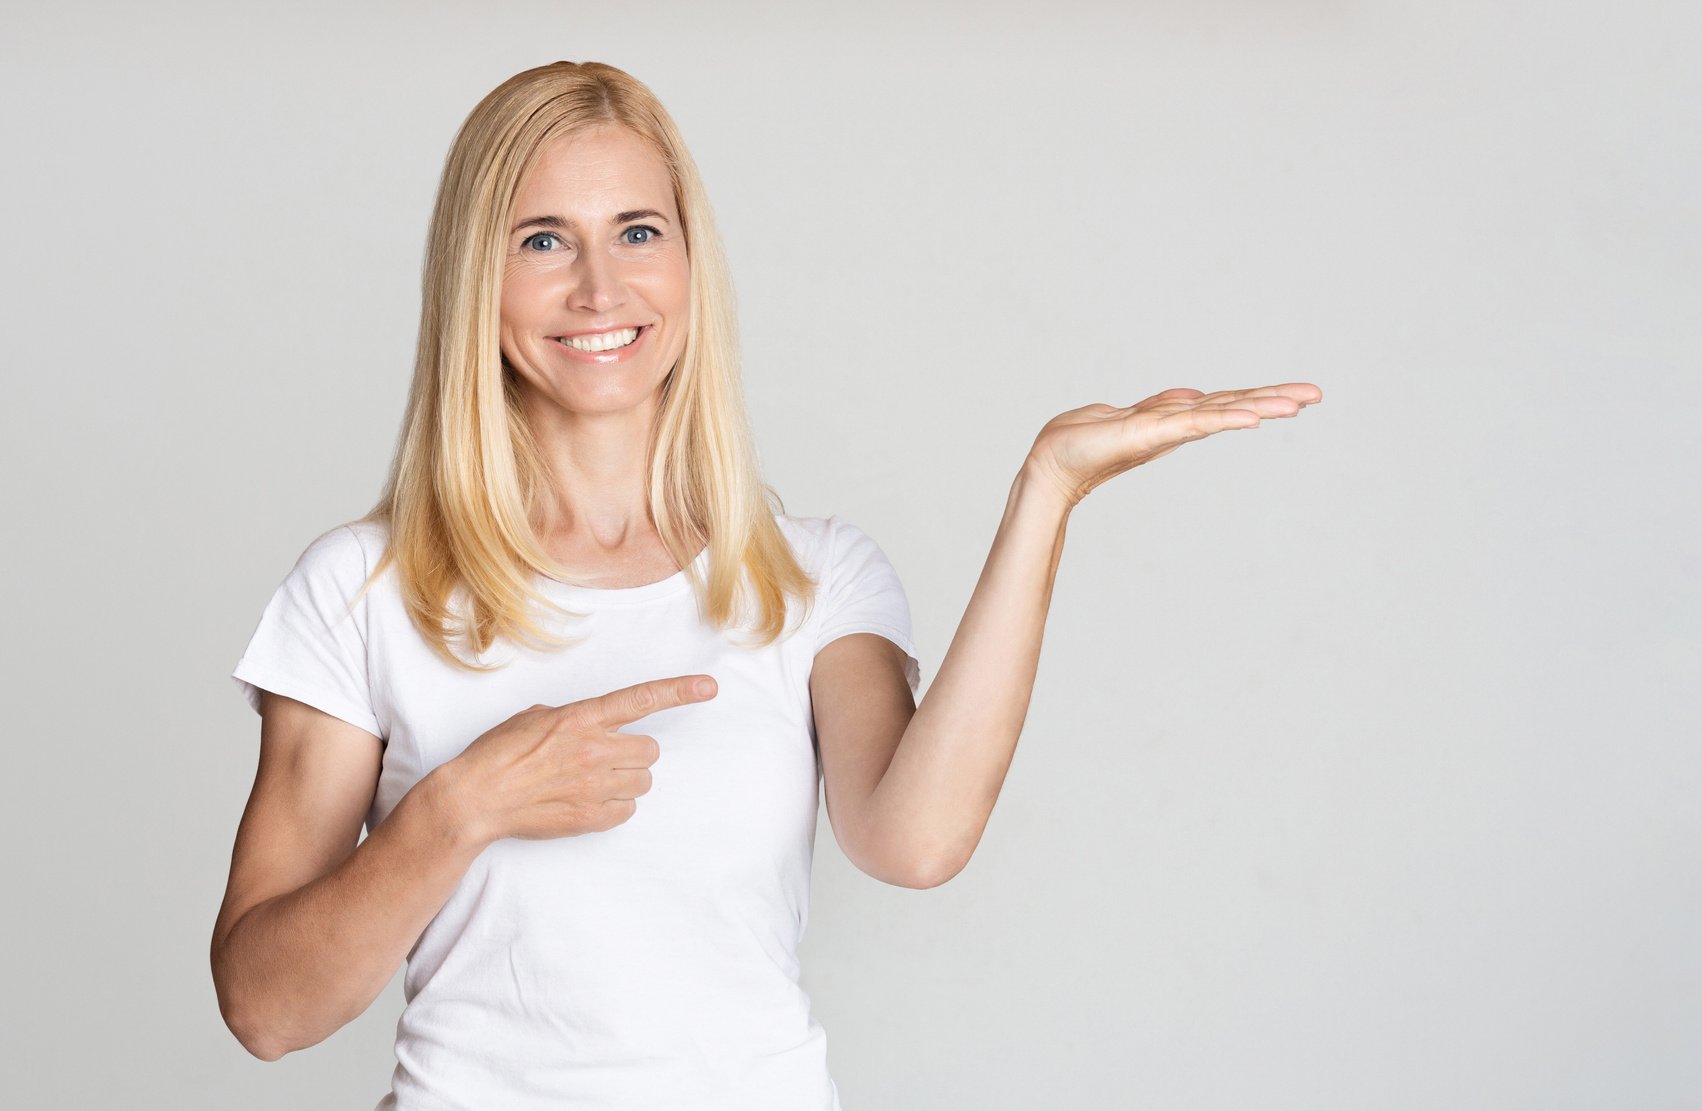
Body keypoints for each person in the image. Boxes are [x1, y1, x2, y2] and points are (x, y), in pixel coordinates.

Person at [209, 60, 1322, 1111]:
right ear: (476, 280)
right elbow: (265, 1007)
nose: (601, 287)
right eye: (544, 239)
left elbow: (913, 841)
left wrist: (1047, 492)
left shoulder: (813, 576)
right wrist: (459, 808)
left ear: (690, 263)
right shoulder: (361, 589)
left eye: (638, 232)